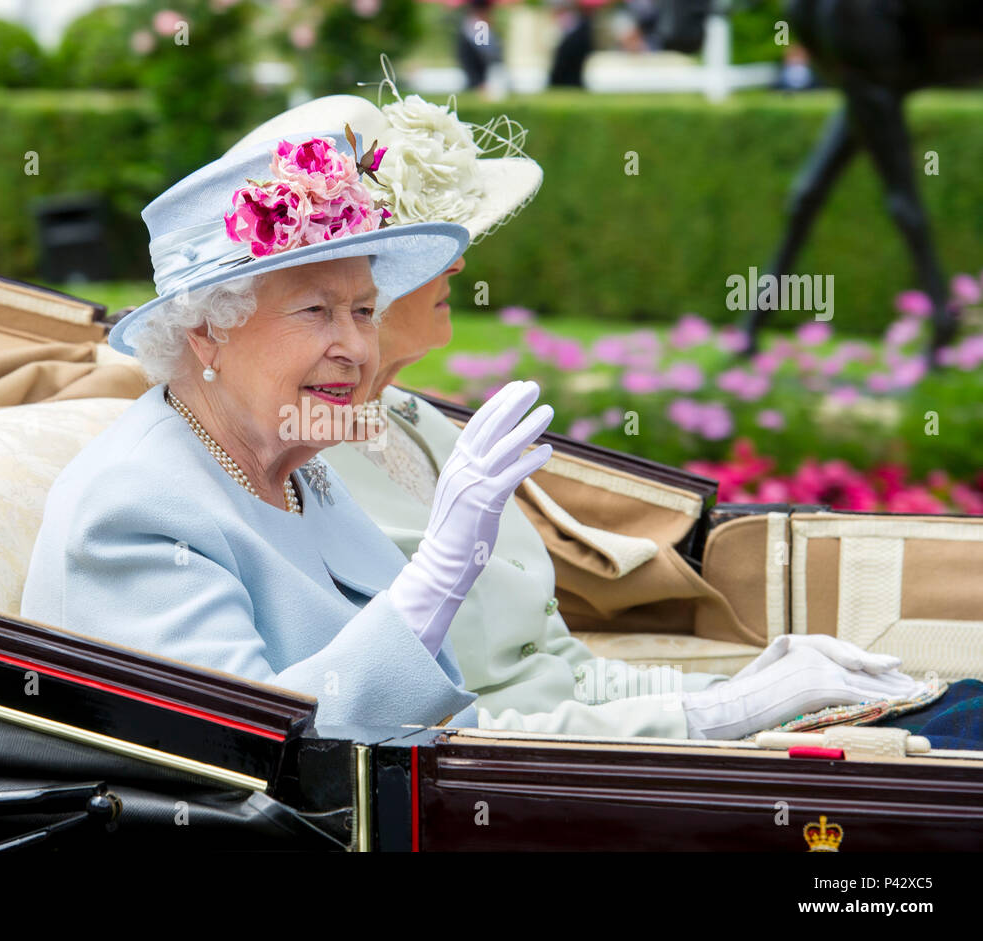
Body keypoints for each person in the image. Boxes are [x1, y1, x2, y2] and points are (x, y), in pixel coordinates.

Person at [224, 83, 926, 739]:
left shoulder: (412, 419)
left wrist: (753, 679)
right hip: (527, 789)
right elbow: (425, 735)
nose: (461, 262)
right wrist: (723, 713)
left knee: (944, 705)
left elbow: (561, 666)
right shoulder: (295, 467)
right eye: (425, 249)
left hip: (595, 747)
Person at [20, 130, 555, 734]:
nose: (356, 349)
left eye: (362, 312)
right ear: (206, 331)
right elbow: (252, 747)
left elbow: (430, 721)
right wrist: (440, 572)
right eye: (314, 312)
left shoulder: (297, 468)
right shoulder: (134, 504)